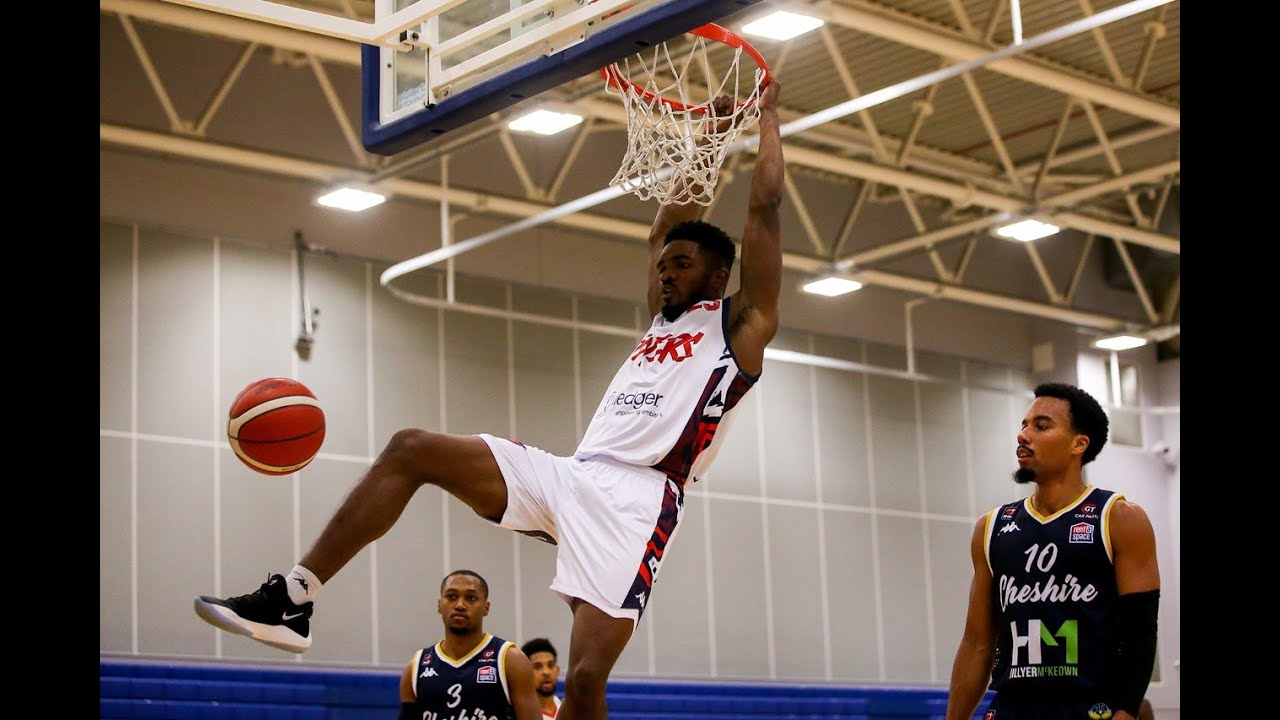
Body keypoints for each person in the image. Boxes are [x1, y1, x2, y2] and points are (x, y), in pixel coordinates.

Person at [193, 79, 784, 720]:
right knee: (411, 449)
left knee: (584, 680)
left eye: (683, 265)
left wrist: (768, 120)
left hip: (638, 502)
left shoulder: (742, 325)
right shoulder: (660, 320)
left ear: (719, 276)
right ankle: (294, 598)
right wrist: (710, 138)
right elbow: (664, 228)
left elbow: (766, 209)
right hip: (573, 475)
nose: (666, 271)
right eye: (664, 265)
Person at [944, 383, 1161, 720]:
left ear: (1079, 443)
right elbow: (977, 643)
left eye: (1041, 426)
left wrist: (1126, 711)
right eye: (1024, 425)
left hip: (1087, 706)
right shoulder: (992, 526)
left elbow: (1140, 633)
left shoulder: (1118, 518)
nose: (1023, 436)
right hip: (1013, 707)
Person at [397, 570, 542, 720]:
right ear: (440, 605)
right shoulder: (416, 667)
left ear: (486, 607)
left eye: (471, 598)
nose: (460, 605)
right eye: (451, 597)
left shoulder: (511, 660)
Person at [520, 637, 562, 718]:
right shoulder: (519, 715)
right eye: (537, 666)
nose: (546, 672)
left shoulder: (569, 711)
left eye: (550, 665)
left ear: (557, 670)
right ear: (524, 673)